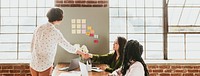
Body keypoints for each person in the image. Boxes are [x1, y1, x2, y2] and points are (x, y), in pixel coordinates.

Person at [30, 7, 85, 76]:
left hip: (34, 63)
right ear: (58, 19)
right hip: (45, 64)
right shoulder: (55, 32)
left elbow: (32, 45)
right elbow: (67, 46)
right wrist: (82, 53)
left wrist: (34, 56)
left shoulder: (38, 28)